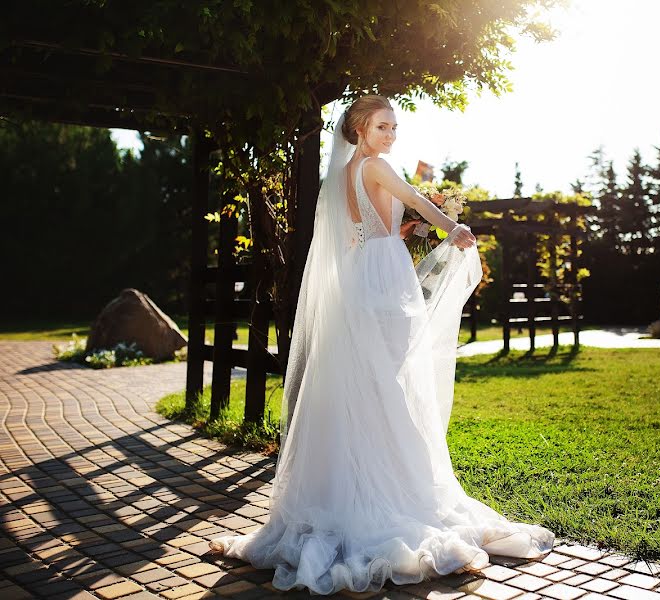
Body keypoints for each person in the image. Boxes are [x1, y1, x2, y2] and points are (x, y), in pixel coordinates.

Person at [209, 95, 555, 595]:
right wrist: (452, 226)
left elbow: (372, 226)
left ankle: (355, 482)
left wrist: (401, 230)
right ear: (359, 128)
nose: (391, 134)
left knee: (367, 386)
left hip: (361, 275)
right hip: (385, 279)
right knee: (390, 385)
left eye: (394, 126)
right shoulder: (377, 164)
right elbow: (414, 197)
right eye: (382, 125)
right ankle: (393, 493)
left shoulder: (344, 173)